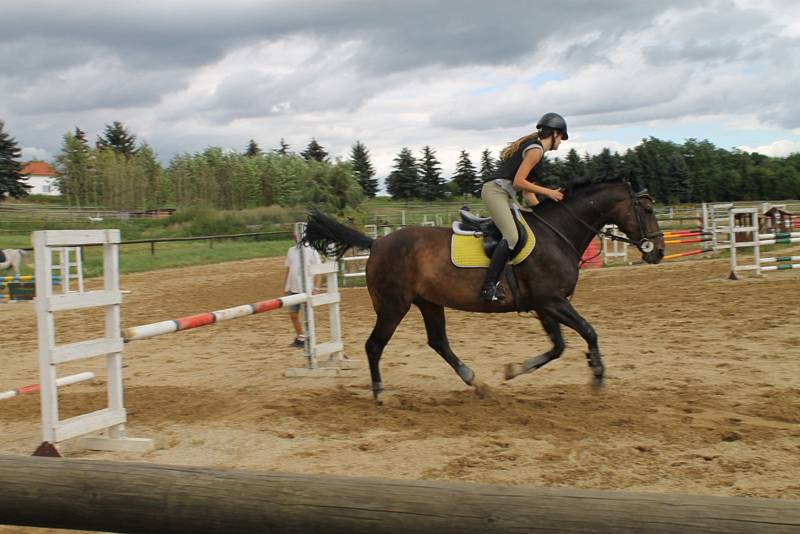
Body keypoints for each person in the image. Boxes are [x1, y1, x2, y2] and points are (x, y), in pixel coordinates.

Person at [479, 112, 568, 301]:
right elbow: (519, 183)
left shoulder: (536, 153)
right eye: (561, 138)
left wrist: (543, 216)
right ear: (555, 134)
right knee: (512, 236)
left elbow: (528, 193)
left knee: (528, 228)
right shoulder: (535, 150)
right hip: (495, 192)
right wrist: (549, 192)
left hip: (504, 194)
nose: (560, 143)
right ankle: (488, 287)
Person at [283, 233, 322, 348]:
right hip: (293, 288)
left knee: (308, 315)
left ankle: (311, 338)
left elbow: (318, 271)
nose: (295, 237)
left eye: (297, 235)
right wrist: (285, 286)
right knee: (293, 315)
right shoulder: (291, 251)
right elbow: (288, 269)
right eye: (294, 236)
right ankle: (300, 337)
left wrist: (316, 288)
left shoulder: (312, 251)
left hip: (307, 289)